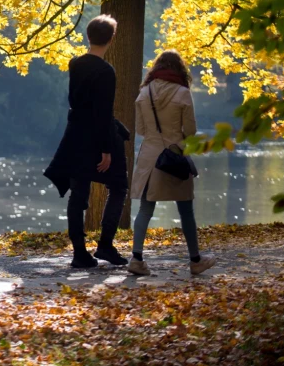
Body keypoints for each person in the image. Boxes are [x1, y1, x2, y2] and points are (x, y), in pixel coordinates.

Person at [44, 15, 130, 268]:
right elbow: (102, 112)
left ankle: (79, 253)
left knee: (78, 193)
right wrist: (106, 149)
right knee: (119, 186)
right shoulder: (106, 71)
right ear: (111, 39)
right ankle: (105, 245)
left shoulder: (75, 64)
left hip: (75, 136)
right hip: (98, 135)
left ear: (88, 36)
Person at [128, 51, 216, 276]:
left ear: (156, 68)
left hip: (150, 158)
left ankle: (136, 258)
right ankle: (195, 260)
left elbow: (141, 130)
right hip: (175, 156)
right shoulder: (183, 93)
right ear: (179, 69)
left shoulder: (144, 93)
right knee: (186, 209)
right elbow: (191, 131)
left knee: (145, 209)